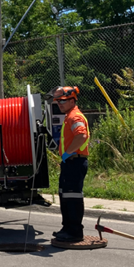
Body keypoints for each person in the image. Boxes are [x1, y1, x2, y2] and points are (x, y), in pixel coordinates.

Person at [52, 86, 90, 242]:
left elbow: (81, 136)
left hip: (75, 161)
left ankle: (74, 231)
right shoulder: (69, 116)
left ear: (72, 100)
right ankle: (67, 228)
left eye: (62, 101)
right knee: (65, 195)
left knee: (72, 197)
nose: (59, 104)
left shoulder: (75, 117)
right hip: (70, 162)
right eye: (58, 101)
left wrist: (69, 152)